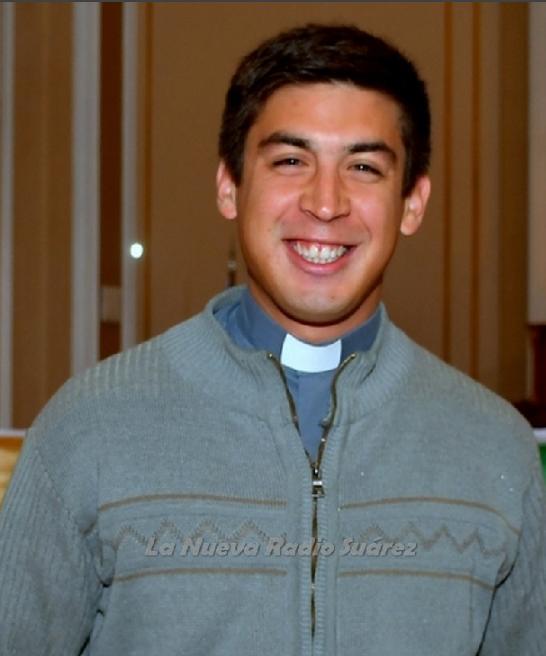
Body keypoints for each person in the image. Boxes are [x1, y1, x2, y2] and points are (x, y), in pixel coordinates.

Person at [0, 23, 544, 656]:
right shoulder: (89, 428)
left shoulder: (495, 450)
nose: (326, 203)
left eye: (363, 167)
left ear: (412, 203)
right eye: (290, 161)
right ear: (229, 186)